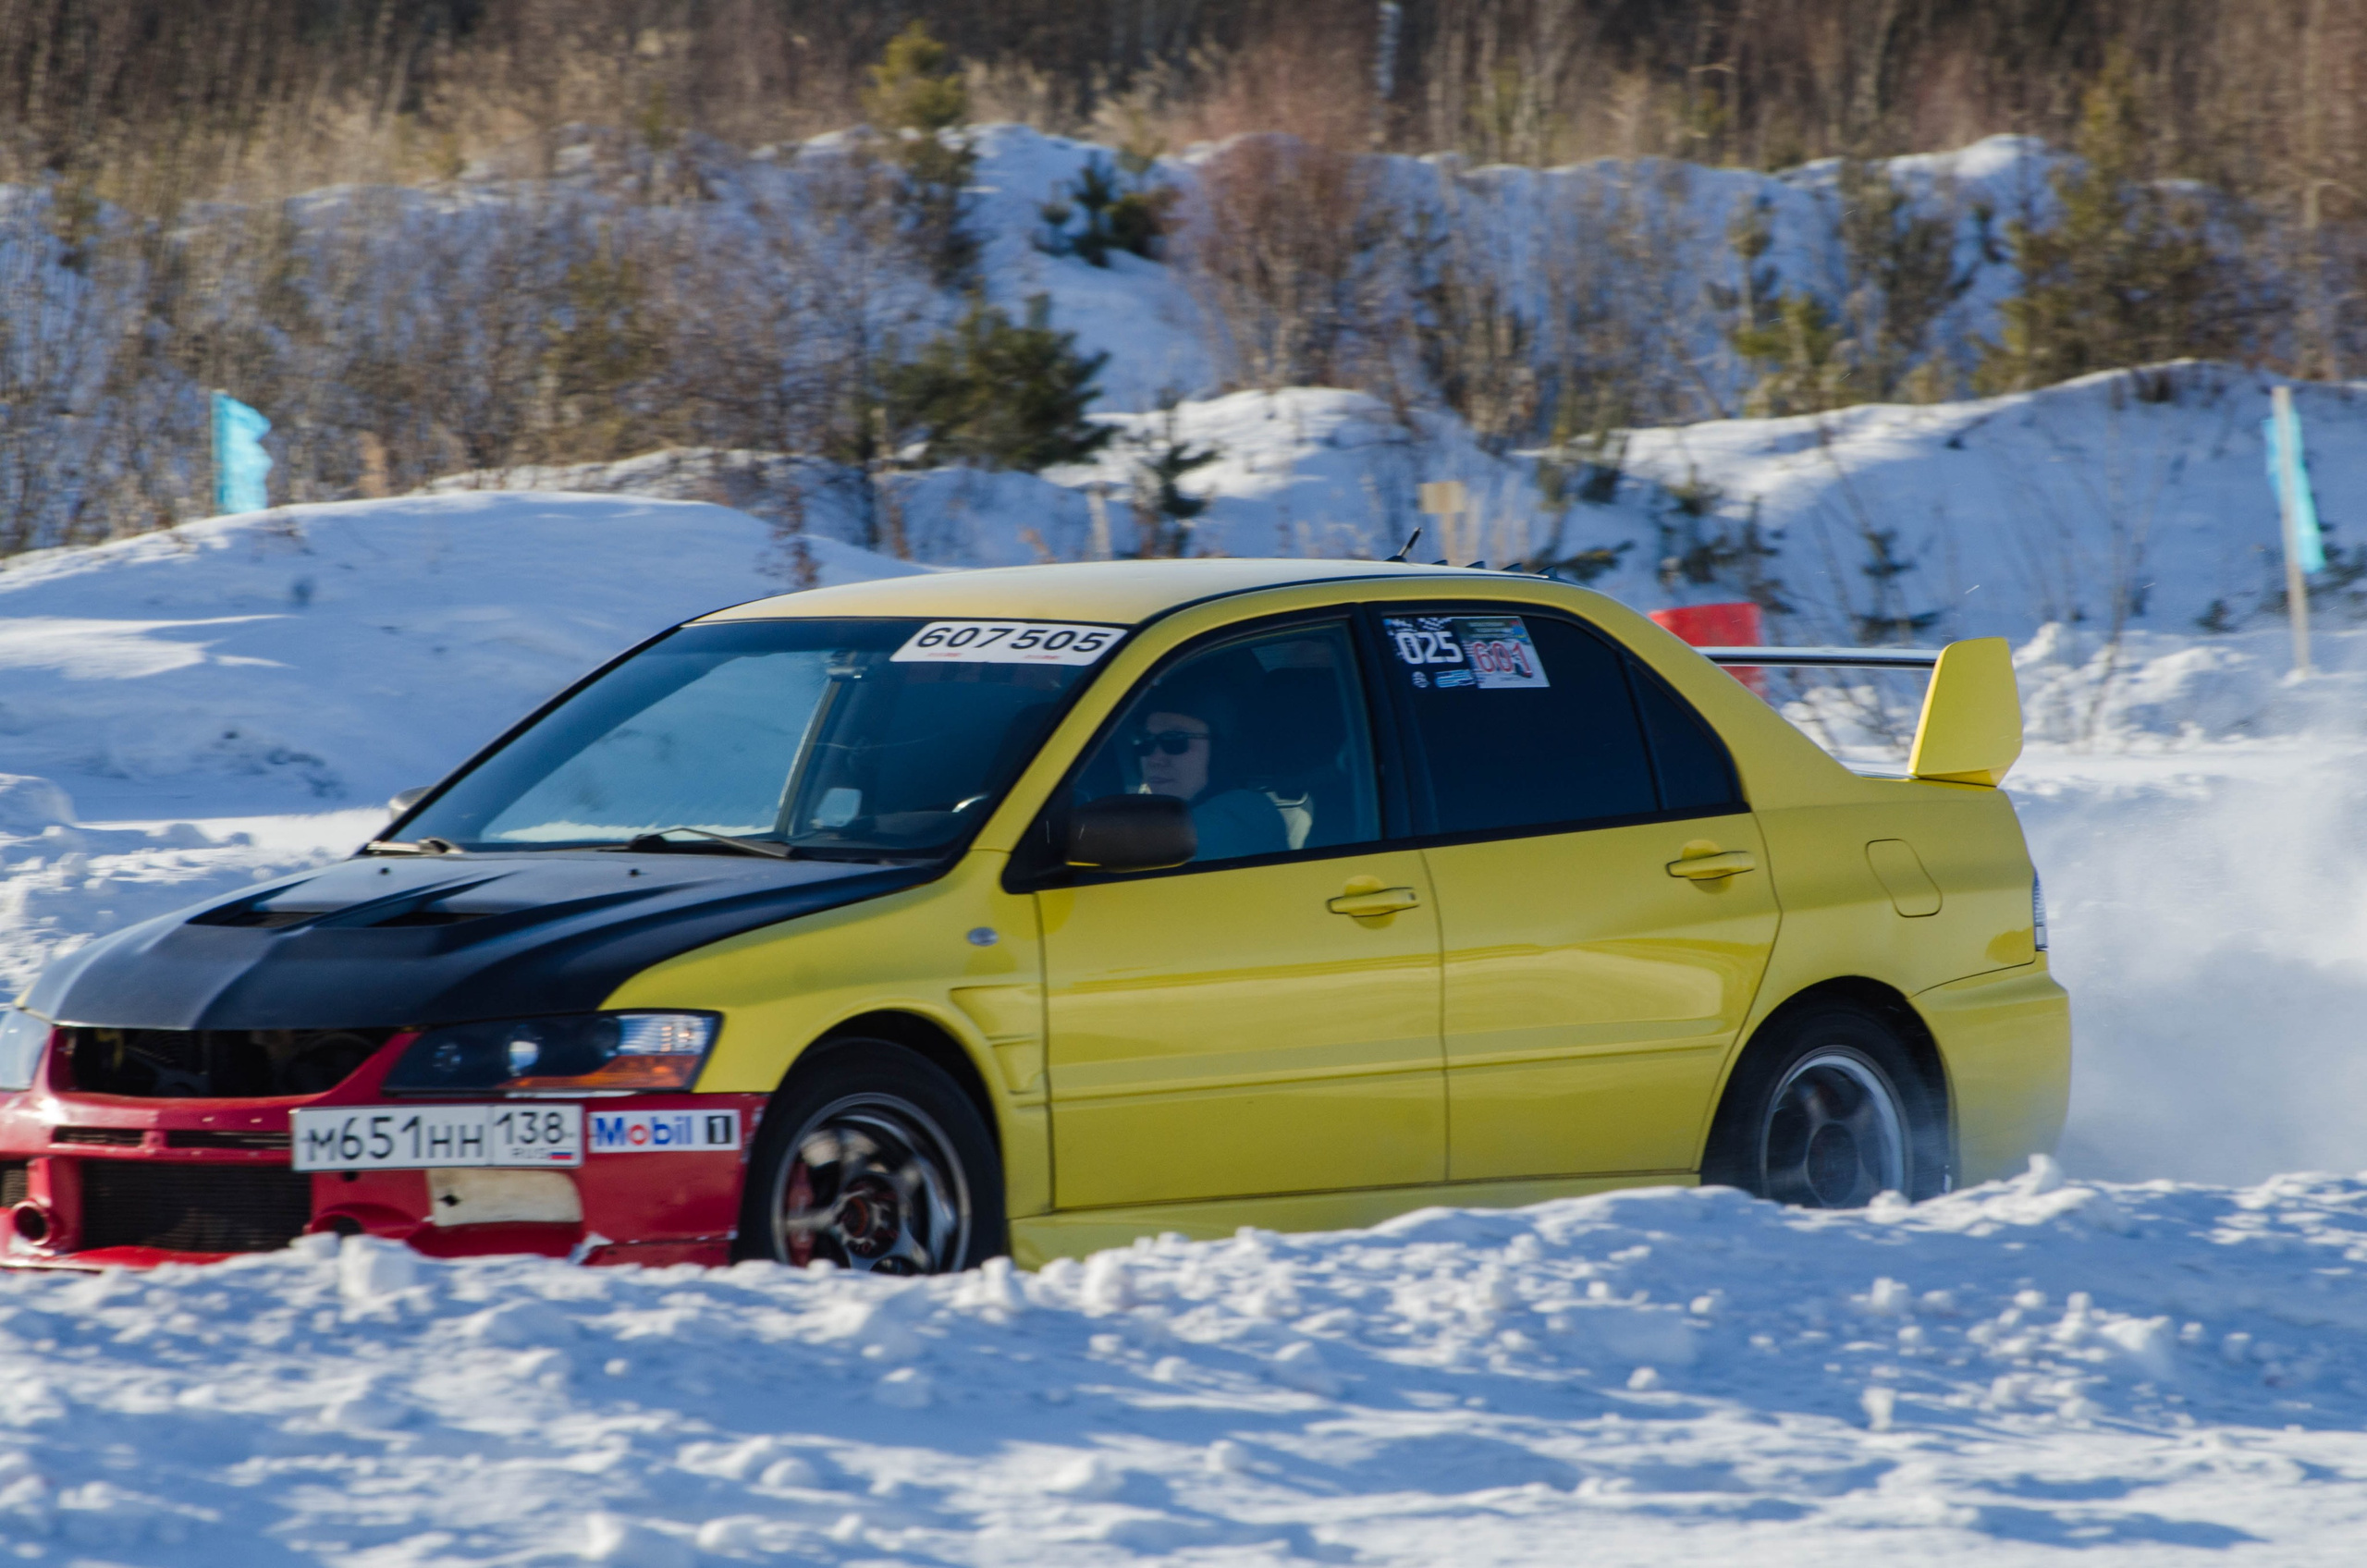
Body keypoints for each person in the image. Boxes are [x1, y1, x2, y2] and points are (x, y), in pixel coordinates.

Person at [1131, 692, 1288, 863]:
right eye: (1145, 740)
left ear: (1219, 750)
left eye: (1174, 739)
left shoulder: (1240, 814)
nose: (1154, 759)